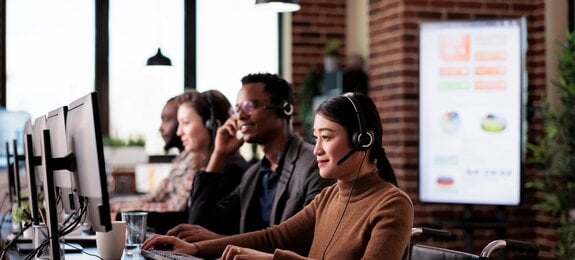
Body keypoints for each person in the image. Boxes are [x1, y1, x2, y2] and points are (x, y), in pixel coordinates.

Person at [142, 92, 414, 259]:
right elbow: (274, 238)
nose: (317, 149)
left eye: (327, 137)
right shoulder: (329, 196)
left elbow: (273, 249)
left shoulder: (392, 204)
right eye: (315, 137)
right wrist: (197, 249)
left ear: (362, 140)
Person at [167, 73, 334, 241]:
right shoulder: (252, 176)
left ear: (285, 108)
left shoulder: (314, 165)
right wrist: (218, 155)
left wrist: (225, 243)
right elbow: (199, 226)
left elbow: (302, 239)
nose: (240, 116)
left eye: (249, 106)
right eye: (237, 109)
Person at [110, 90, 248, 229]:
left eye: (186, 123)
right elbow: (189, 217)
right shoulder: (201, 162)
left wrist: (126, 216)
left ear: (212, 125)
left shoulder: (231, 169)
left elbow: (196, 224)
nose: (179, 132)